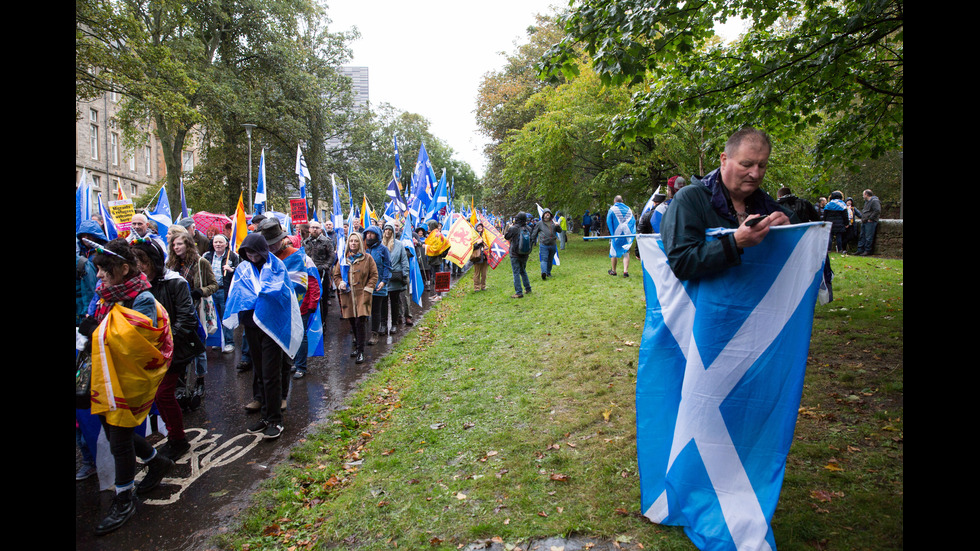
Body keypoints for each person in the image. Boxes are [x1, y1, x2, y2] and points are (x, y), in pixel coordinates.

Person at [78, 238, 174, 535]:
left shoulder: (141, 298)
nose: (101, 275)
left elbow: (138, 344)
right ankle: (156, 462)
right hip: (107, 376)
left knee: (119, 438)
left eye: (106, 269)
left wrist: (96, 331)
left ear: (123, 268)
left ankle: (124, 500)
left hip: (129, 380)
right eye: (98, 270)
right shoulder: (106, 294)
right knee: (111, 429)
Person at [660, 127, 795, 281]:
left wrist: (790, 231)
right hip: (710, 304)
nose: (755, 174)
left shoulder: (768, 204)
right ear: (724, 160)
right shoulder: (690, 199)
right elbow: (681, 263)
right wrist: (735, 243)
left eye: (762, 165)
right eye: (746, 164)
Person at [222, 233, 302, 439]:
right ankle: (266, 415)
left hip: (271, 328)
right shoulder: (243, 269)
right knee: (259, 371)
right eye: (246, 252)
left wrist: (260, 297)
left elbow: (283, 293)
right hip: (251, 326)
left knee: (271, 373)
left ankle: (276, 420)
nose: (250, 255)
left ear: (262, 250)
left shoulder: (276, 267)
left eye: (253, 251)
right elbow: (237, 292)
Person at [131, 237, 202, 461]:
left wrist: (165, 342)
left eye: (142, 260)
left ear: (153, 260)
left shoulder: (175, 282)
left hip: (175, 349)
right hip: (149, 350)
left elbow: (187, 319)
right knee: (157, 395)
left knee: (163, 393)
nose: (138, 266)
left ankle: (177, 439)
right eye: (134, 261)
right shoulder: (136, 284)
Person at [256, 217, 320, 380]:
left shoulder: (298, 257)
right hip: (273, 308)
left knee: (300, 334)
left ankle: (300, 366)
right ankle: (288, 363)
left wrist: (312, 303)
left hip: (299, 305)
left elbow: (307, 283)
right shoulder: (262, 257)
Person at [167, 230, 217, 407]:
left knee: (199, 347)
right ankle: (181, 384)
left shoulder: (200, 262)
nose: (176, 247)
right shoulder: (170, 264)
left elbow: (214, 284)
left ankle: (200, 380)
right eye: (174, 245)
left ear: (187, 244)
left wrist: (200, 291)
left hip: (196, 310)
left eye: (179, 244)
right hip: (176, 312)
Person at [333, 232, 378, 364]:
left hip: (362, 295)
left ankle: (360, 351)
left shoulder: (367, 258)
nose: (353, 243)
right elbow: (336, 275)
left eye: (356, 241)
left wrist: (368, 289)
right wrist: (339, 283)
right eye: (351, 241)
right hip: (348, 296)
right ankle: (357, 345)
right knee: (352, 322)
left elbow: (374, 275)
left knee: (360, 322)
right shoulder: (343, 259)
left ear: (360, 243)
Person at [203, 234, 240, 352]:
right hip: (212, 290)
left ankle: (229, 342)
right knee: (214, 316)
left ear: (226, 244)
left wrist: (231, 270)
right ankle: (218, 340)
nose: (218, 244)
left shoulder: (233, 256)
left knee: (226, 316)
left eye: (220, 242)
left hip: (225, 290)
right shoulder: (207, 256)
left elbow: (240, 271)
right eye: (215, 242)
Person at [363, 225, 392, 344]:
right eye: (367, 233)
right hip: (363, 285)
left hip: (378, 285)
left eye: (372, 234)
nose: (369, 236)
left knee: (375, 310)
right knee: (363, 310)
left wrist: (384, 281)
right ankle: (361, 334)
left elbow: (387, 266)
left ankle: (374, 333)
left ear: (377, 235)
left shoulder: (383, 249)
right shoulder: (362, 248)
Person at [304, 221, 336, 315]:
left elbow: (331, 256)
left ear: (320, 229)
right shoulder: (305, 242)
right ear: (309, 229)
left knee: (323, 297)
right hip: (309, 273)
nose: (314, 229)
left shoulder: (326, 241)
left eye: (317, 228)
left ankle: (323, 319)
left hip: (322, 272)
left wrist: (325, 266)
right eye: (313, 227)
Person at [382, 222, 409, 333]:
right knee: (383, 303)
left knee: (394, 303)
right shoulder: (380, 244)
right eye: (386, 229)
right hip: (383, 280)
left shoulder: (399, 245)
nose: (388, 232)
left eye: (390, 230)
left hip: (395, 278)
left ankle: (394, 324)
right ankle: (383, 325)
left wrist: (404, 274)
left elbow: (404, 261)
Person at [504, 212, 533, 298]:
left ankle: (518, 292)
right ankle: (528, 288)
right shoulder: (529, 228)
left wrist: (508, 227)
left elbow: (506, 236)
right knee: (523, 270)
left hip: (514, 253)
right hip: (525, 253)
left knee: (516, 272)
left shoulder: (513, 228)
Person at [606, 196, 636, 277]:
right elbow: (633, 221)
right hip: (627, 233)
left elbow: (608, 221)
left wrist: (611, 233)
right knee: (626, 252)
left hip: (616, 234)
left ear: (614, 201)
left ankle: (613, 271)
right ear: (622, 201)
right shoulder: (629, 209)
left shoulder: (612, 209)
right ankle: (625, 271)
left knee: (613, 252)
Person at [531, 208, 560, 280]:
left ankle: (548, 272)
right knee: (544, 259)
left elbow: (560, 231)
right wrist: (531, 241)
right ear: (543, 215)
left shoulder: (553, 222)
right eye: (546, 213)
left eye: (548, 213)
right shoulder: (539, 223)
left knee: (550, 259)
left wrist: (557, 226)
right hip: (544, 245)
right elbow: (534, 233)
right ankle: (543, 272)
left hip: (552, 244)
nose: (547, 214)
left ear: (550, 215)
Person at [857, 189, 881, 256]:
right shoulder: (867, 202)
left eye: (863, 195)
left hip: (870, 222)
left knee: (868, 237)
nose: (863, 196)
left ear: (866, 194)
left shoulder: (874, 201)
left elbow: (877, 210)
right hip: (865, 221)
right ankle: (860, 250)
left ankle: (867, 251)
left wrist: (871, 218)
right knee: (862, 236)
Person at [471, 222, 490, 291]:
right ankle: (476, 288)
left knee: (484, 273)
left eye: (481, 226)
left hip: (485, 257)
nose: (479, 228)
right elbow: (471, 246)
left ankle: (483, 286)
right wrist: (477, 243)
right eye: (478, 226)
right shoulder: (474, 236)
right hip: (477, 257)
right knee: (477, 273)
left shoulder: (485, 235)